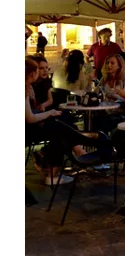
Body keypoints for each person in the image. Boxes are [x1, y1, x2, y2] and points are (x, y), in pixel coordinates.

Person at [26, 58, 73, 186]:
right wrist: (48, 114)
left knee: (63, 122)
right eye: (39, 69)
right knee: (61, 129)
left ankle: (48, 164)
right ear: (32, 73)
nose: (44, 71)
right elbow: (29, 118)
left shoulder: (28, 87)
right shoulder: (25, 89)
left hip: (30, 125)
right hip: (28, 130)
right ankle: (52, 173)